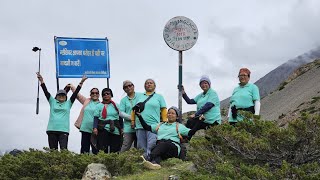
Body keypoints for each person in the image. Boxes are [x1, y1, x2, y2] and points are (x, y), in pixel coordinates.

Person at [36, 72, 87, 150]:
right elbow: (46, 91)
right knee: (53, 152)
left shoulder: (68, 103)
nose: (61, 96)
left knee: (64, 150)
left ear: (66, 97)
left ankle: (63, 163)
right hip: (52, 129)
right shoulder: (52, 102)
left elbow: (75, 93)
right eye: (59, 95)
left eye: (63, 95)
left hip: (63, 130)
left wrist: (81, 82)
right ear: (56, 96)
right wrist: (42, 81)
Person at [132, 79, 167, 161]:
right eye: (147, 83)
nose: (149, 84)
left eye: (151, 83)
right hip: (140, 125)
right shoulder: (139, 97)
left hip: (153, 126)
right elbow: (133, 110)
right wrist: (132, 121)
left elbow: (163, 109)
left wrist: (165, 120)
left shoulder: (159, 97)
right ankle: (144, 163)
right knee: (141, 147)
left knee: (152, 144)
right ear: (144, 86)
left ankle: (153, 161)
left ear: (154, 86)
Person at [69, 84, 100, 154]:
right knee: (84, 150)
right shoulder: (87, 101)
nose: (94, 94)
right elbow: (77, 95)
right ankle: (83, 164)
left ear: (99, 95)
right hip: (85, 129)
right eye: (93, 93)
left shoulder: (101, 104)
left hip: (95, 131)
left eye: (96, 93)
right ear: (90, 94)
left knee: (95, 150)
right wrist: (72, 87)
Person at [93, 88, 124, 153]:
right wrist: (95, 128)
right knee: (103, 149)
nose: (106, 95)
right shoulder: (98, 106)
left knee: (115, 150)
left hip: (115, 129)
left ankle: (114, 163)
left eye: (108, 93)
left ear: (111, 95)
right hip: (103, 129)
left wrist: (122, 128)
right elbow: (96, 117)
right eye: (104, 94)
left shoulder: (116, 105)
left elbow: (120, 117)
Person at [119, 80, 142, 152]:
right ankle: (120, 162)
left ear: (133, 86)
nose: (128, 88)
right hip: (128, 128)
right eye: (125, 87)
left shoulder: (141, 96)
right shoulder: (123, 100)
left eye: (130, 85)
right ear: (124, 89)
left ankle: (138, 163)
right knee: (125, 146)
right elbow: (121, 113)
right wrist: (132, 118)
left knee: (139, 147)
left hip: (140, 126)